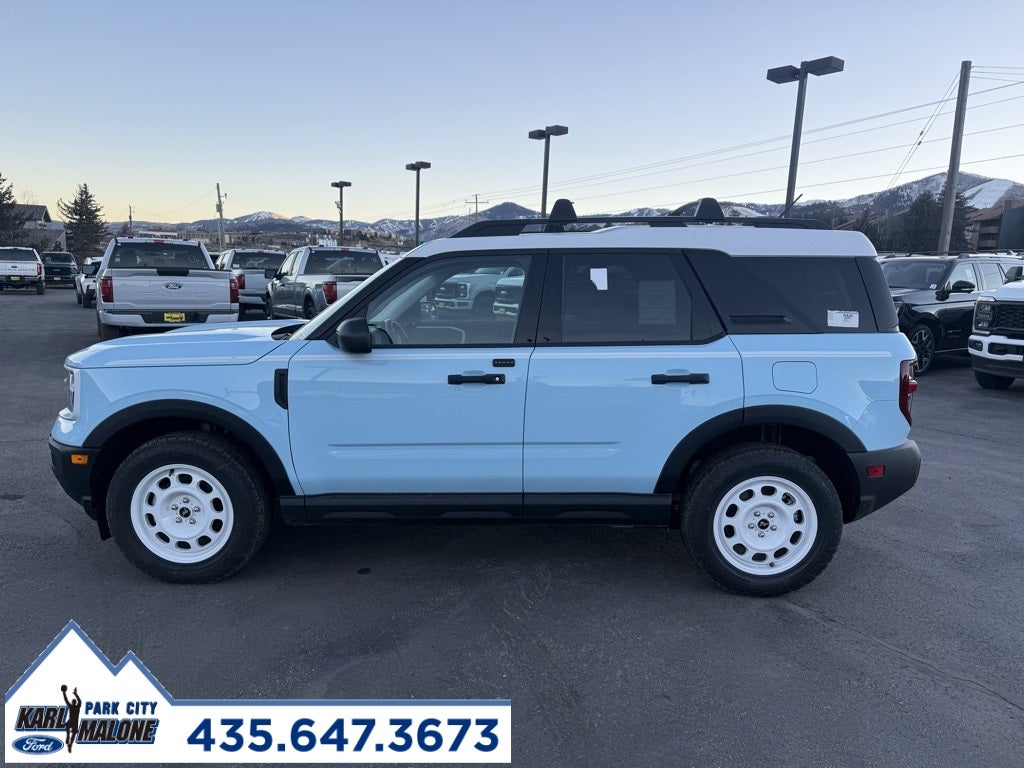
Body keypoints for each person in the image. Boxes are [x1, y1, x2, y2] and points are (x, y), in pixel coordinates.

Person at [61, 684, 81, 753]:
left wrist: (64, 693)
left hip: (72, 721)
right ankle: (69, 741)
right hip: (74, 722)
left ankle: (68, 738)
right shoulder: (76, 706)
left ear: (73, 702)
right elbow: (79, 701)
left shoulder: (73, 706)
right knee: (73, 733)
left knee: (68, 727)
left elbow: (66, 700)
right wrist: (75, 694)